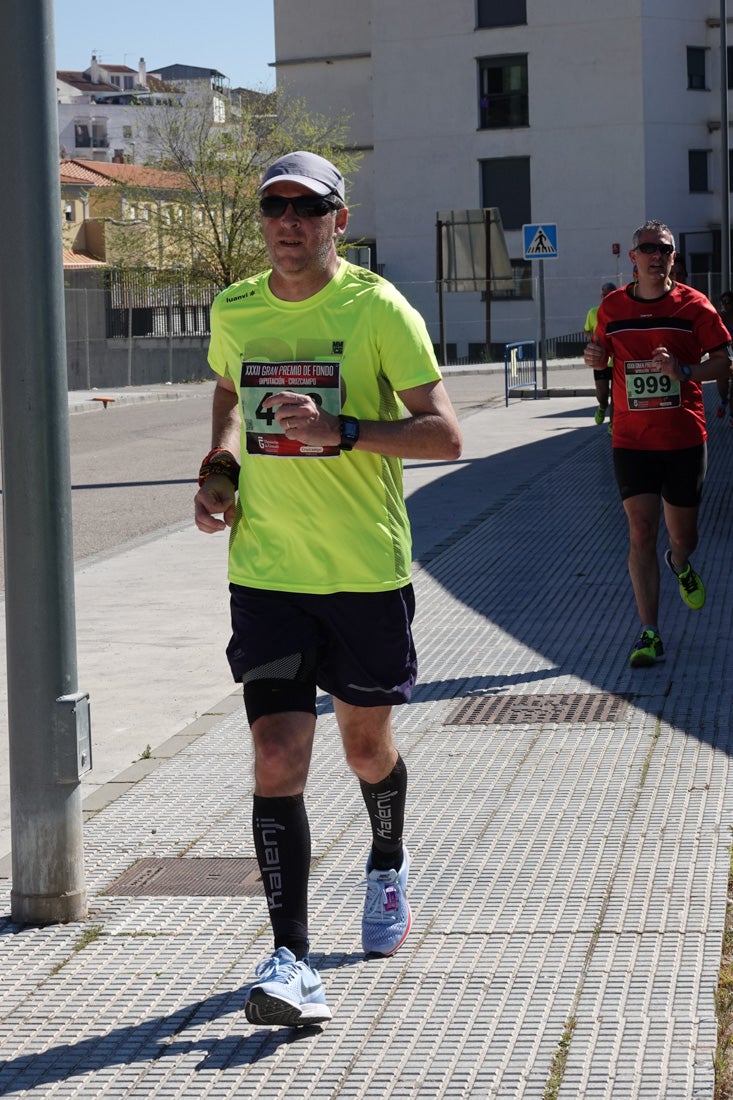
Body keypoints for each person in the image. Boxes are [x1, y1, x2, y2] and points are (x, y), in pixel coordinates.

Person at [194, 151, 462, 1027]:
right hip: (267, 571)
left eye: (307, 208)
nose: (288, 222)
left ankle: (386, 862)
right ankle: (290, 959)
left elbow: (443, 437)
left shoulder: (378, 310)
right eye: (274, 207)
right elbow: (229, 395)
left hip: (361, 571)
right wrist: (221, 467)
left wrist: (344, 428)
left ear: (338, 220)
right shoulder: (234, 307)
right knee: (277, 754)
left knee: (362, 749)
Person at [584, 219, 732, 669]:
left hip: (684, 438)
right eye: (648, 248)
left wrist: (684, 373)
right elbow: (600, 357)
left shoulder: (696, 306)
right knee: (640, 531)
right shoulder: (611, 308)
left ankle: (680, 563)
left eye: (664, 249)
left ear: (673, 258)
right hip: (632, 440)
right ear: (633, 258)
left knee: (682, 536)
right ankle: (650, 632)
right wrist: (594, 363)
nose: (656, 255)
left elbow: (725, 364)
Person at [583, 281, 616, 426]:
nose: (606, 298)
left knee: (616, 396)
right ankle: (602, 407)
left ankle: (612, 424)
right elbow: (586, 330)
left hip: (618, 360)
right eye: (604, 295)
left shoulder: (622, 313)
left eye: (609, 295)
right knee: (603, 394)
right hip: (601, 360)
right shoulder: (593, 312)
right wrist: (592, 337)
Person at [715, 291, 733, 426]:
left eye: (729, 302)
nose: (726, 306)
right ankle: (723, 400)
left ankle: (732, 415)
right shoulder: (719, 318)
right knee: (721, 379)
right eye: (723, 303)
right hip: (725, 355)